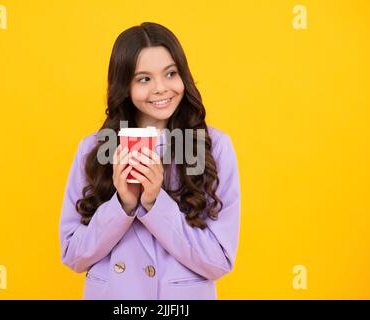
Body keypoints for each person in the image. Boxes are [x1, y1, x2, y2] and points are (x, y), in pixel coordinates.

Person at [59, 22, 241, 299]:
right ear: (124, 86)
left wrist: (155, 204)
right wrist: (122, 206)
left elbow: (219, 260)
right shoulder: (94, 149)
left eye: (171, 73)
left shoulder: (214, 147)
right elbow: (74, 256)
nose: (161, 88)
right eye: (144, 78)